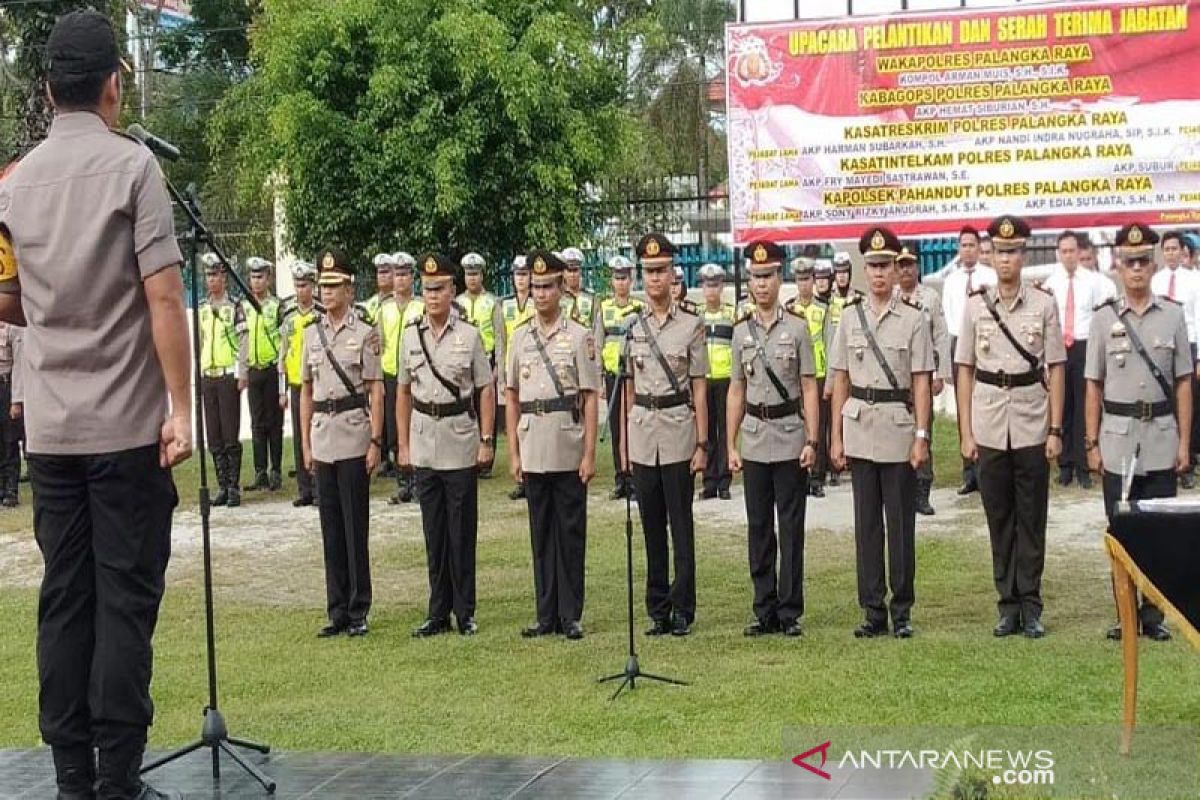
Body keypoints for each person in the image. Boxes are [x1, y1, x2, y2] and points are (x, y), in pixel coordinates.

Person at [0, 11, 192, 798]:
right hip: (124, 428)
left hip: (50, 429)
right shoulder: (134, 170)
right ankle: (119, 774)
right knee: (125, 595)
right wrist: (180, 404)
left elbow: (6, 298)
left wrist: (56, 308)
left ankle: (70, 773)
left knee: (65, 595)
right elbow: (165, 295)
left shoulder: (12, 182)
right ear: (116, 83)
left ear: (47, 91)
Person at [956, 215, 1066, 639]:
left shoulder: (1044, 304)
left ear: (1023, 254)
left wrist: (1056, 429)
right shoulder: (974, 305)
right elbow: (964, 368)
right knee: (999, 517)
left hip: (1031, 421)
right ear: (989, 255)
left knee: (1032, 518)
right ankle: (1007, 604)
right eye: (999, 252)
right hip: (988, 420)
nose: (1006, 260)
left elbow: (1055, 368)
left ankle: (1031, 604)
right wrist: (966, 431)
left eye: (1014, 251)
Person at [1085, 223, 1189, 643]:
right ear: (1118, 266)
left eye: (1144, 261)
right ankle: (1124, 613)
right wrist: (1091, 442)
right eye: (1130, 262)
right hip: (1119, 438)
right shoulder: (1103, 320)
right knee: (1122, 532)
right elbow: (1092, 383)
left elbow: (1183, 381)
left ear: (1154, 265)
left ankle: (1154, 615)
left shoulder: (1174, 315)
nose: (1137, 269)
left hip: (1162, 435)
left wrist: (1185, 441)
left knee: (1161, 531)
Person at [829, 228, 933, 639]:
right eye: (871, 266)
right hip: (858, 425)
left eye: (885, 265)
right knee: (866, 523)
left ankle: (902, 609)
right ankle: (872, 609)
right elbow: (839, 379)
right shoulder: (850, 318)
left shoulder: (914, 318)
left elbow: (922, 382)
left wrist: (922, 435)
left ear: (895, 269)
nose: (878, 273)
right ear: (862, 269)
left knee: (900, 523)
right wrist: (836, 436)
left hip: (897, 426)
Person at [399, 253, 496, 637]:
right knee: (433, 531)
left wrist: (487, 440)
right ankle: (437, 610)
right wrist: (403, 444)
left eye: (440, 289)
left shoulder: (469, 335)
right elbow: (403, 393)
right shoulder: (411, 335)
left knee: (461, 530)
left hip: (459, 437)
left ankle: (464, 610)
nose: (433, 296)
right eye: (428, 290)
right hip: (424, 439)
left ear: (452, 290)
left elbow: (486, 389)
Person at [505, 250, 599, 640]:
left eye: (548, 286)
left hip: (567, 442)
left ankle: (570, 614)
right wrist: (512, 451)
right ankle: (545, 614)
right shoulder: (519, 337)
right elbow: (511, 394)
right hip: (533, 443)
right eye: (536, 285)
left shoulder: (578, 336)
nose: (540, 293)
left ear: (562, 288)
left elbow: (591, 396)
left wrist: (591, 452)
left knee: (570, 531)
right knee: (540, 532)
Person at [728, 241, 820, 637]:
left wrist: (812, 440)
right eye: (755, 277)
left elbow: (809, 387)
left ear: (780, 279)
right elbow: (735, 389)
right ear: (749, 281)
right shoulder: (740, 332)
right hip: (753, 435)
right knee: (759, 526)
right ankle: (763, 608)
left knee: (791, 525)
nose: (761, 284)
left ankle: (789, 610)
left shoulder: (797, 327)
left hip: (788, 435)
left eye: (768, 276)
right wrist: (730, 443)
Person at [623, 234, 708, 637]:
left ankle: (683, 607)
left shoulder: (691, 324)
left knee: (680, 524)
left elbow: (700, 387)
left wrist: (703, 443)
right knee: (651, 526)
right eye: (649, 272)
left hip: (677, 429)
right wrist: (624, 441)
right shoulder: (631, 328)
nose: (655, 279)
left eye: (661, 271)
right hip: (642, 431)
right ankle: (656, 607)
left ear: (674, 274)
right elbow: (627, 388)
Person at [301, 248, 384, 638]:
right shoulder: (310, 334)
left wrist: (375, 441)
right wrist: (305, 443)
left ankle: (358, 608)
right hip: (323, 434)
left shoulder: (364, 334)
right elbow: (306, 392)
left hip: (353, 434)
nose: (327, 291)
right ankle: (336, 609)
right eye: (323, 285)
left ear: (350, 289)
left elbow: (376, 390)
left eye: (335, 285)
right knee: (330, 528)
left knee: (355, 527)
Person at [1043, 231, 1117, 490]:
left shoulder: (1094, 282)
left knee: (1085, 406)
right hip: (1060, 347)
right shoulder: (1051, 283)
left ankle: (1084, 466)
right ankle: (1065, 466)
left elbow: (1102, 317)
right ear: (1057, 254)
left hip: (1085, 345)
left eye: (1072, 251)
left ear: (1079, 251)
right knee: (1062, 406)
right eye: (1063, 251)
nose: (1069, 256)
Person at [942, 226, 998, 496]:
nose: (967, 250)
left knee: (984, 405)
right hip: (957, 341)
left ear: (979, 248)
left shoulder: (990, 276)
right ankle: (968, 472)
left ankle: (986, 468)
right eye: (963, 245)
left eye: (971, 245)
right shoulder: (951, 280)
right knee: (963, 405)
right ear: (958, 249)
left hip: (984, 341)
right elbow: (946, 319)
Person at [895, 244, 949, 516]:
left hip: (924, 377)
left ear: (918, 267)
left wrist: (941, 375)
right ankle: (901, 489)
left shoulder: (930, 298)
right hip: (894, 381)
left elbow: (940, 335)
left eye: (910, 264)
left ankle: (922, 492)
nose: (905, 269)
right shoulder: (889, 297)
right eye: (901, 264)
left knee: (923, 430)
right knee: (897, 435)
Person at [1154, 232, 1200, 489]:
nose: (1171, 253)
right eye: (1167, 249)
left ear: (1183, 252)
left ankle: (1188, 462)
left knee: (1188, 405)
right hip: (1162, 347)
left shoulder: (1194, 280)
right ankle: (1166, 461)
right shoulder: (1156, 280)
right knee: (1166, 404)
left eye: (1175, 249)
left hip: (1189, 344)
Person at [199, 252, 244, 507]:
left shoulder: (234, 307)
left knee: (230, 431)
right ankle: (222, 485)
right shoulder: (204, 310)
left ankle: (234, 486)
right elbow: (202, 341)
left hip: (228, 374)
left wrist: (242, 372)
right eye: (208, 275)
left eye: (216, 274)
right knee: (213, 434)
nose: (211, 280)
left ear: (224, 277)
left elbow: (243, 341)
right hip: (209, 375)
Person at [239, 256, 285, 492]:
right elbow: (242, 341)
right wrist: (242, 371)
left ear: (268, 278)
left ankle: (276, 470)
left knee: (274, 423)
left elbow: (283, 340)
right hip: (254, 369)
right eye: (253, 277)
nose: (256, 282)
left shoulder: (277, 306)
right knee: (257, 423)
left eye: (260, 277)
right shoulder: (243, 306)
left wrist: (282, 373)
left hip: (272, 368)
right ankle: (260, 472)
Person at [278, 260, 322, 506]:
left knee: (316, 435)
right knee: (299, 435)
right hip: (296, 383)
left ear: (313, 286)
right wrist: (282, 389)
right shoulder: (289, 316)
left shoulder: (320, 314)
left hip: (316, 384)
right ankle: (304, 489)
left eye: (304, 285)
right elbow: (283, 356)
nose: (301, 290)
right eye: (297, 285)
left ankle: (318, 488)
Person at [599, 255, 643, 500]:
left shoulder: (639, 308)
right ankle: (620, 477)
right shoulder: (604, 308)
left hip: (632, 374)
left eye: (625, 277)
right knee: (616, 426)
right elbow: (597, 342)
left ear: (631, 279)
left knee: (632, 425)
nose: (621, 283)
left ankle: (634, 475)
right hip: (612, 373)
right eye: (617, 278)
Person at [786, 258, 831, 497]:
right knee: (799, 425)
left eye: (807, 279)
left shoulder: (822, 308)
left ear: (814, 281)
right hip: (795, 375)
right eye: (800, 279)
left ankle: (817, 477)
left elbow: (829, 341)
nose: (804, 284)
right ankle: (800, 473)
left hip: (819, 373)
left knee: (818, 426)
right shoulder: (789, 308)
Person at [458, 252, 504, 479]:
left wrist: (498, 366)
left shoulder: (493, 302)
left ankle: (487, 460)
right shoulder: (458, 302)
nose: (472, 279)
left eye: (475, 274)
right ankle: (469, 455)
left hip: (487, 358)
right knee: (469, 408)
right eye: (468, 274)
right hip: (464, 361)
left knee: (487, 407)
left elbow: (499, 335)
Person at [389, 251, 425, 503]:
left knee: (418, 428)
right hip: (390, 374)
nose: (400, 279)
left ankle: (419, 481)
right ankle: (403, 480)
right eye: (397, 274)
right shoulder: (384, 309)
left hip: (419, 374)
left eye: (405, 274)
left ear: (412, 277)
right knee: (395, 429)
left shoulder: (421, 305)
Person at [699, 263, 736, 500]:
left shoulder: (731, 314)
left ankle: (724, 482)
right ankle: (709, 480)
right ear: (702, 287)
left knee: (725, 431)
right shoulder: (697, 315)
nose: (711, 291)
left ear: (721, 286)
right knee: (706, 431)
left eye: (715, 285)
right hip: (704, 379)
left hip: (726, 379)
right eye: (707, 285)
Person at [501, 254, 535, 500]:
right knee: (515, 421)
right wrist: (502, 372)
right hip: (513, 369)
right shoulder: (504, 305)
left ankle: (532, 471)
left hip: (535, 370)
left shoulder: (538, 301)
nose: (521, 279)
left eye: (525, 274)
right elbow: (502, 342)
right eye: (518, 275)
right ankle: (520, 471)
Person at [373, 253, 402, 479]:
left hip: (406, 369)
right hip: (386, 368)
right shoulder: (374, 305)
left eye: (387, 271)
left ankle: (401, 460)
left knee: (400, 416)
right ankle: (387, 458)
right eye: (380, 272)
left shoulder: (408, 304)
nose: (383, 276)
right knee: (385, 417)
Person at [0, 322, 22, 506]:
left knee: (9, 440)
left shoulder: (12, 328)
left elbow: (19, 364)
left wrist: (16, 400)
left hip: (6, 386)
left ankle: (10, 489)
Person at [561, 246, 600, 335]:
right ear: (563, 273)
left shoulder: (591, 298)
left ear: (580, 271)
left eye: (575, 270)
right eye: (569, 271)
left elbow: (596, 327)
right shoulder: (558, 298)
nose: (573, 274)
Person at [359, 251, 394, 327]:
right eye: (380, 272)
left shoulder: (399, 301)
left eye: (385, 272)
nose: (382, 276)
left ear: (394, 274)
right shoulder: (371, 302)